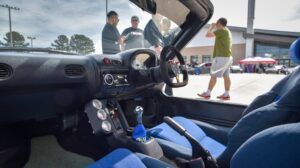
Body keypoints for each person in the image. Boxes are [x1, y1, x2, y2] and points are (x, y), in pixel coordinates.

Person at [198, 17, 233, 100]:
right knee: (226, 76)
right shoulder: (227, 31)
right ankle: (226, 94)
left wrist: (212, 26)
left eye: (217, 24)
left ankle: (207, 93)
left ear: (219, 23)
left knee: (213, 75)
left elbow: (207, 35)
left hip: (221, 57)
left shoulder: (221, 30)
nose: (216, 25)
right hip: (228, 57)